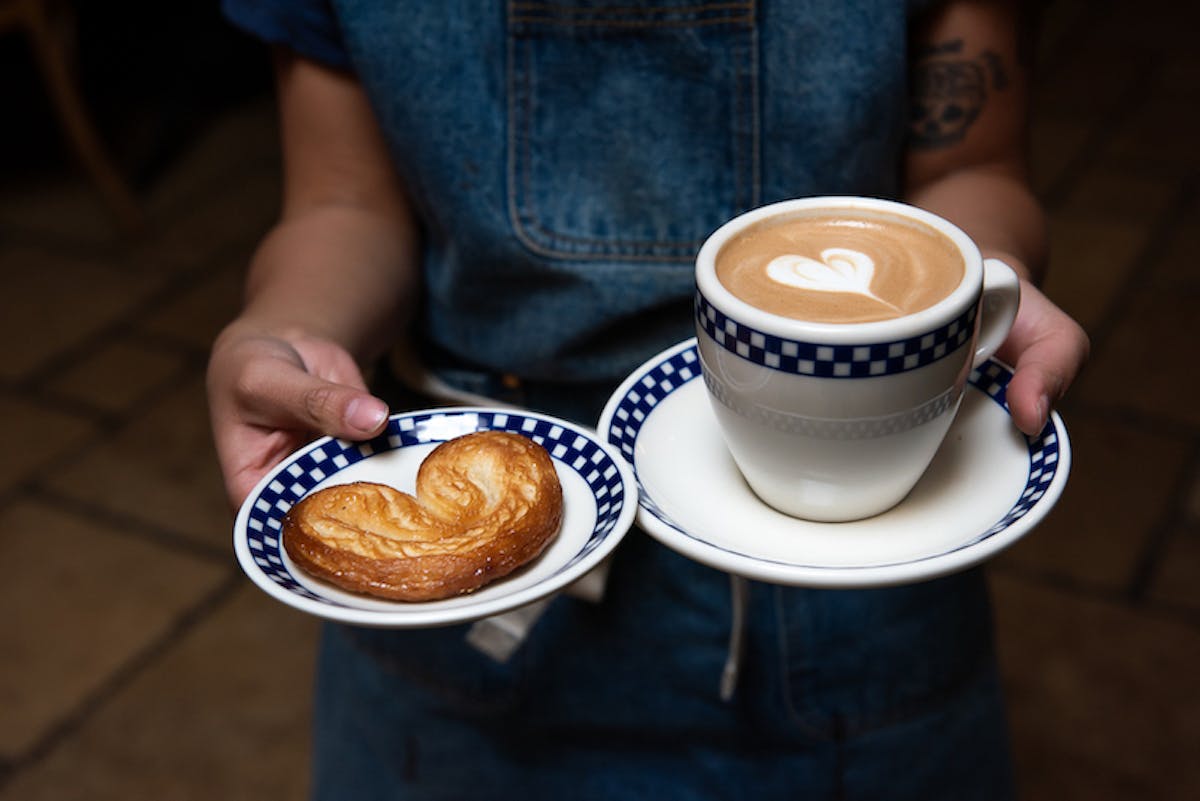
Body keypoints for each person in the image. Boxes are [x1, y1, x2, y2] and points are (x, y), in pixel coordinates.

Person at [207, 1, 1089, 798]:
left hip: (867, 588)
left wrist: (981, 287)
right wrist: (289, 324)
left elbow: (973, 167)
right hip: (465, 603)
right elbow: (343, 202)